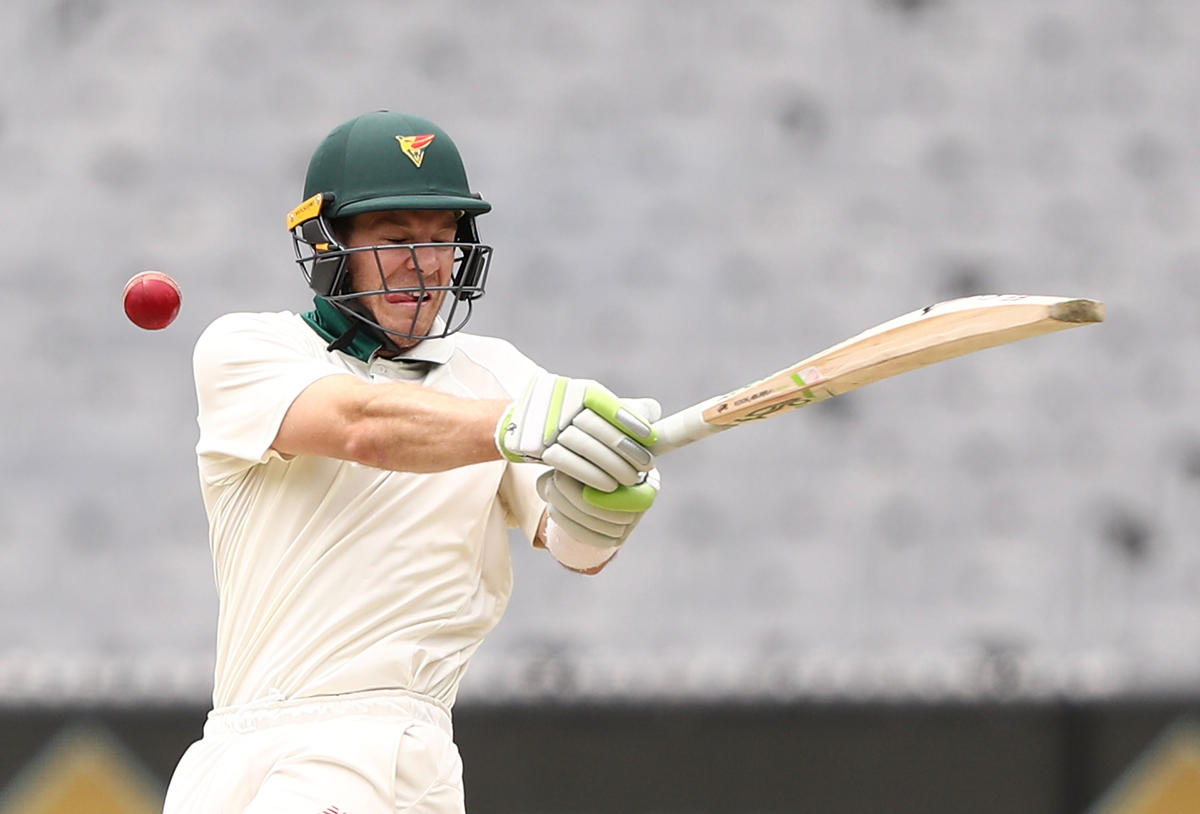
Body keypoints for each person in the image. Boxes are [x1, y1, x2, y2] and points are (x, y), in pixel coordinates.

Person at [162, 111, 662, 814]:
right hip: (235, 754)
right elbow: (362, 426)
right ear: (326, 244)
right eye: (396, 239)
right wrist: (520, 425)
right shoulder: (247, 349)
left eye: (442, 239)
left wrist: (611, 488)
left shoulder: (499, 372)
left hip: (385, 754)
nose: (425, 265)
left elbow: (577, 548)